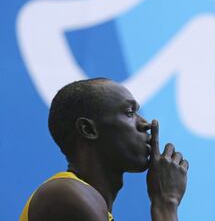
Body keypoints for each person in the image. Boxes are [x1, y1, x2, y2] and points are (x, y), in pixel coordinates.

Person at [19, 78, 189, 221]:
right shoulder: (64, 195)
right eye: (129, 113)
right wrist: (166, 202)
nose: (145, 123)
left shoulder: (86, 200)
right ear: (88, 129)